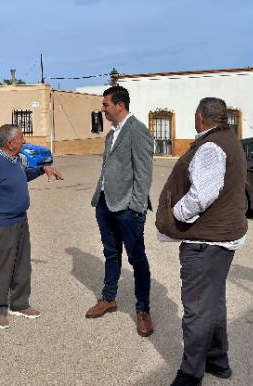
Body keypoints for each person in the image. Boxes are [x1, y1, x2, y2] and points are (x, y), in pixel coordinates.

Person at [156, 97, 248, 386]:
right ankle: (217, 361)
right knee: (213, 303)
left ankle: (191, 373)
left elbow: (202, 195)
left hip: (206, 242)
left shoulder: (210, 147)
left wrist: (176, 214)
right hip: (222, 239)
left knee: (196, 308)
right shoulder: (229, 140)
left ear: (199, 118)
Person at [0, 124, 64, 330]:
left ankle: (19, 303)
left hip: (21, 220)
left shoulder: (16, 160)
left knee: (22, 265)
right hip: (2, 224)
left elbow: (24, 175)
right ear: (10, 142)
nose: (24, 141)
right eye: (21, 138)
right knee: (1, 268)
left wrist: (42, 169)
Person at [86, 85, 155, 337]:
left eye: (105, 105)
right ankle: (109, 298)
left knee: (137, 259)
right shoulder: (111, 134)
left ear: (119, 105)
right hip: (105, 204)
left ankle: (142, 310)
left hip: (128, 208)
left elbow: (144, 174)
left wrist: (136, 208)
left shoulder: (138, 131)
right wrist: (100, 200)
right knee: (111, 254)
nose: (102, 109)